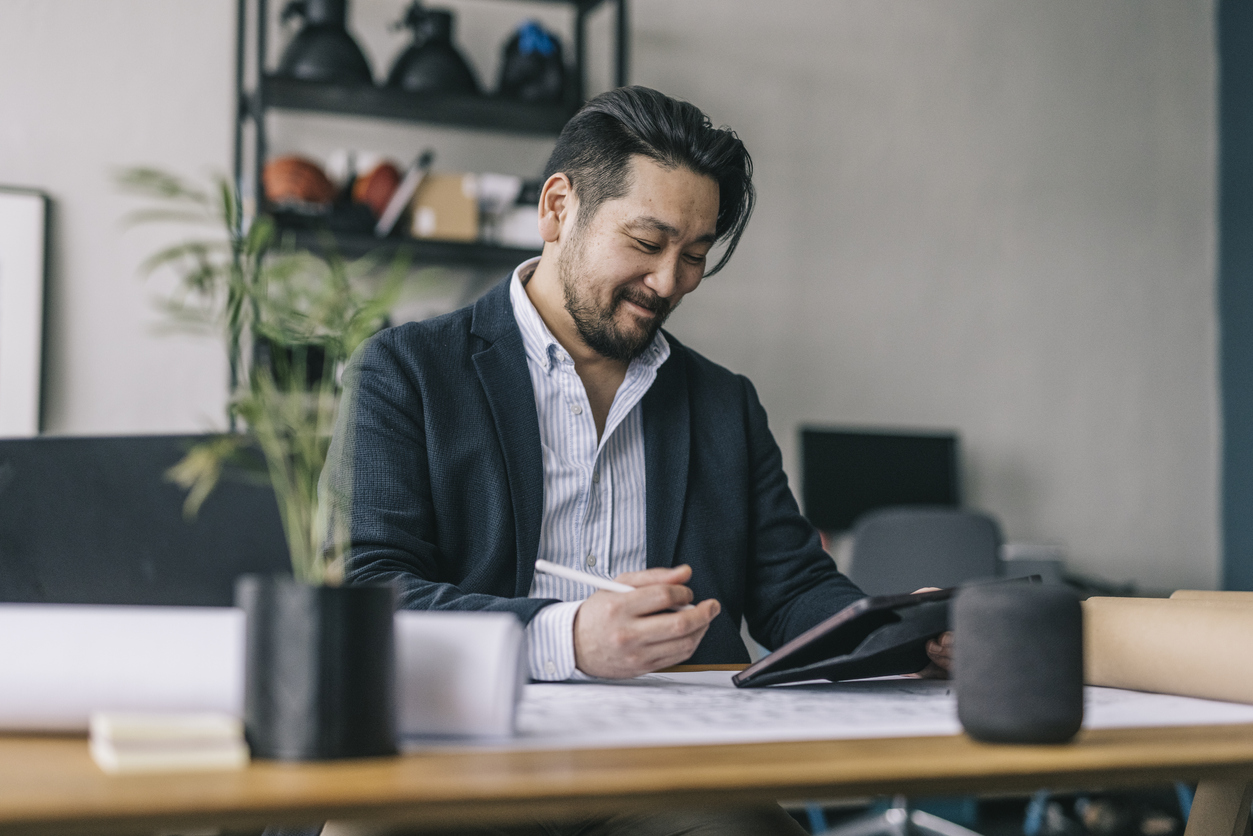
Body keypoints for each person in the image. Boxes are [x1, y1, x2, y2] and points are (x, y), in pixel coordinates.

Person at [324, 85, 950, 835]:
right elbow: (369, 591)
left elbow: (791, 588)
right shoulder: (406, 372)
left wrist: (890, 637)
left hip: (663, 763)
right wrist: (572, 638)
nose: (669, 283)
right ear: (558, 208)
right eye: (647, 244)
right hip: (457, 753)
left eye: (694, 256)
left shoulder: (723, 403)